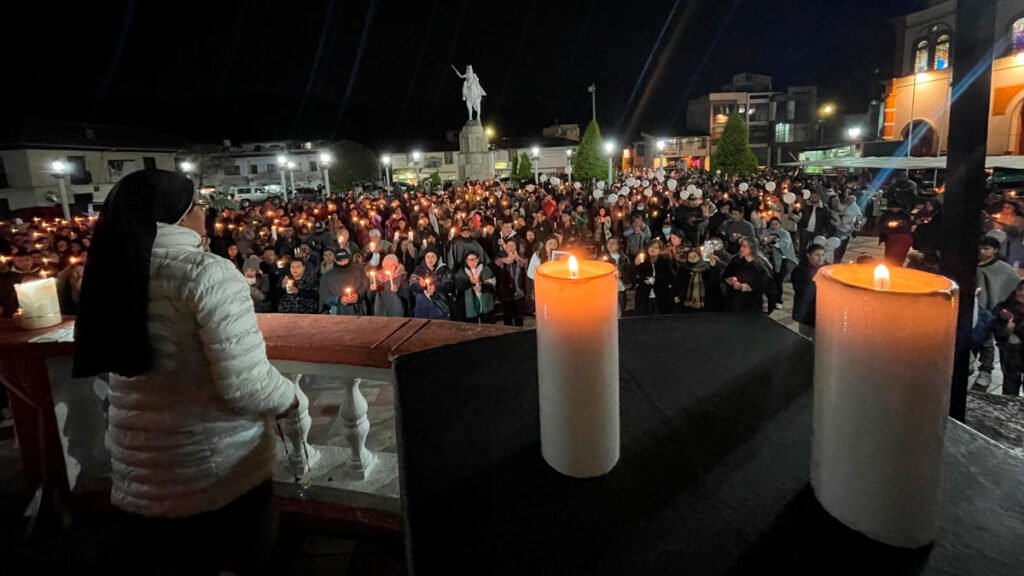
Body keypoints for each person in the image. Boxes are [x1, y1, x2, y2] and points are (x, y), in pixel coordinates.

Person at [71, 170, 308, 574]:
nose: (206, 213)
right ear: (179, 217)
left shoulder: (115, 270)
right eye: (199, 205)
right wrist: (293, 399)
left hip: (141, 469)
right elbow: (245, 384)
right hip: (212, 472)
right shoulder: (207, 273)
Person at [975, 236, 1021, 390]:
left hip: (996, 311)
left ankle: (985, 371)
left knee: (987, 340)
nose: (982, 251)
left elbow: (1012, 288)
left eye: (986, 248)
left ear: (995, 250)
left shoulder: (1004, 270)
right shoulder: (975, 265)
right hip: (978, 307)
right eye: (980, 248)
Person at [722, 237, 775, 314]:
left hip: (753, 303)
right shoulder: (736, 261)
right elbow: (726, 275)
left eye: (744, 246)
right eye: (741, 246)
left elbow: (766, 284)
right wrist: (732, 281)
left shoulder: (761, 265)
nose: (741, 249)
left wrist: (745, 286)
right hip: (735, 301)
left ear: (752, 248)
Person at [991, 280, 1024, 396]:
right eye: (1020, 290)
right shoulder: (1005, 307)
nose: (1022, 293)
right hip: (1010, 353)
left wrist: (1015, 328)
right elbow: (995, 325)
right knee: (1010, 383)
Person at [760, 217, 798, 310]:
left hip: (781, 259)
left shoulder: (785, 234)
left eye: (776, 224)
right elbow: (762, 241)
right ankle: (769, 298)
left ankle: (778, 300)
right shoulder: (765, 232)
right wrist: (765, 241)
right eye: (772, 224)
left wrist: (773, 240)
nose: (774, 226)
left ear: (780, 224)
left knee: (778, 280)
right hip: (768, 258)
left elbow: (783, 244)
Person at [791, 243, 826, 339]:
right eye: (817, 255)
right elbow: (800, 290)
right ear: (808, 255)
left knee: (818, 340)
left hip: (821, 312)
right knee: (803, 338)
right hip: (805, 311)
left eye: (822, 255)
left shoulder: (827, 269)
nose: (820, 258)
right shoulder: (800, 270)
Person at [320, 249, 368, 316]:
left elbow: (366, 285)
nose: (343, 262)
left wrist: (358, 295)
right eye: (340, 260)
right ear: (335, 260)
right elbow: (324, 295)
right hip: (338, 311)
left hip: (358, 309)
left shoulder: (359, 270)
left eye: (345, 259)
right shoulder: (327, 276)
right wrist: (339, 300)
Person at [409, 246, 453, 320]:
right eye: (428, 256)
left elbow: (449, 284)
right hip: (422, 309)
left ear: (437, 258)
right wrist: (420, 285)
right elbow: (412, 283)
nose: (430, 259)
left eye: (432, 256)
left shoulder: (444, 270)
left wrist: (436, 287)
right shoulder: (419, 270)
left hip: (440, 308)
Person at [674, 248, 722, 313]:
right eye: (689, 257)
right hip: (686, 304)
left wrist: (713, 267)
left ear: (699, 256)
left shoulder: (707, 267)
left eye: (694, 256)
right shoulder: (683, 269)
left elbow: (715, 281)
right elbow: (677, 283)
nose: (692, 258)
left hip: (705, 303)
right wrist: (676, 295)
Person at [454, 251, 496, 323]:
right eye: (469, 260)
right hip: (469, 304)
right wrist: (470, 282)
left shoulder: (485, 269)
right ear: (466, 261)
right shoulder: (462, 271)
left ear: (478, 259)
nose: (472, 262)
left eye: (474, 259)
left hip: (485, 300)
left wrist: (482, 287)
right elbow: (458, 284)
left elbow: (492, 283)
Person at [494, 238, 528, 326]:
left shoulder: (520, 256)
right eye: (509, 245)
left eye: (513, 245)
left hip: (518, 292)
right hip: (505, 292)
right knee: (507, 317)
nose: (511, 247)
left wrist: (517, 258)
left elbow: (523, 264)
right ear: (505, 247)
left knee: (519, 317)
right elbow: (495, 263)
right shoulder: (500, 256)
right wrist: (504, 260)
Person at [877, 201, 914, 266]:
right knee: (890, 253)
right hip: (890, 237)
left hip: (901, 238)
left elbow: (908, 225)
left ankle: (898, 265)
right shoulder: (886, 214)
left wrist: (900, 224)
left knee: (900, 255)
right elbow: (881, 224)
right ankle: (889, 263)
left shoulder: (904, 215)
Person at [603, 237, 631, 317]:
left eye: (613, 243)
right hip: (607, 285)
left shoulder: (624, 258)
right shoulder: (603, 257)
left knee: (620, 305)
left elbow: (629, 272)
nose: (610, 245)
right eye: (609, 243)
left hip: (620, 285)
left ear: (618, 246)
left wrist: (622, 274)